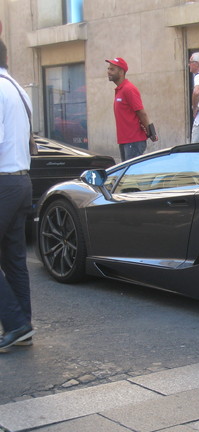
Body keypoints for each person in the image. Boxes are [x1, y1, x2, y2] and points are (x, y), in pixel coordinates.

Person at [0, 39, 35, 351]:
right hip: (22, 181)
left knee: (13, 258)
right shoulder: (18, 89)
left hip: (3, 184)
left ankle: (15, 323)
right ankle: (24, 324)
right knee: (14, 259)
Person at [106, 57, 157, 162]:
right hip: (125, 141)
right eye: (108, 69)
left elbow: (141, 112)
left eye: (112, 69)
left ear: (121, 72)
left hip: (133, 141)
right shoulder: (120, 90)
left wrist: (151, 132)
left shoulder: (128, 89)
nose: (108, 72)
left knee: (132, 176)